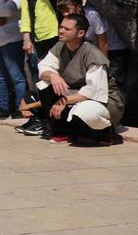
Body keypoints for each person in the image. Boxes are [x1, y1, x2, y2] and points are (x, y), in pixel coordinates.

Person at [34, 13, 124, 146]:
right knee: (44, 84)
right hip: (76, 95)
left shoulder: (92, 53)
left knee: (83, 112)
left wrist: (64, 101)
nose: (61, 31)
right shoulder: (59, 47)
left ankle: (106, 132)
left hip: (104, 99)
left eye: (66, 29)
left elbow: (93, 90)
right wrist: (54, 76)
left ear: (80, 33)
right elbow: (44, 67)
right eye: (61, 27)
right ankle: (61, 131)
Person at [16, 0, 65, 135]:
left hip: (58, 36)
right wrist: (26, 39)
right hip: (39, 38)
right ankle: (44, 119)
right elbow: (26, 17)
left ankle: (57, 118)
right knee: (42, 78)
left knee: (59, 75)